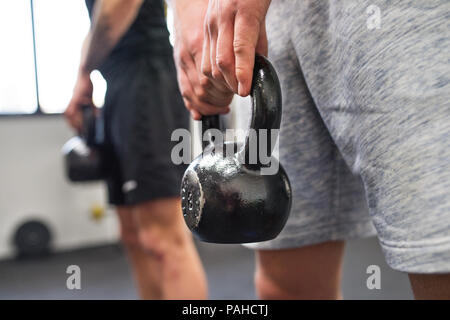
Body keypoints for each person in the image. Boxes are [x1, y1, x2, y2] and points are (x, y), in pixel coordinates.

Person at [170, 0, 450, 299]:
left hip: (397, 16)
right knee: (285, 287)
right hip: (265, 24)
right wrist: (187, 10)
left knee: (437, 259)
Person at [65, 0, 207, 299]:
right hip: (118, 83)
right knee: (132, 234)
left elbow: (119, 5)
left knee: (164, 238)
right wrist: (84, 76)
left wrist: (83, 70)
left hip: (148, 78)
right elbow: (98, 21)